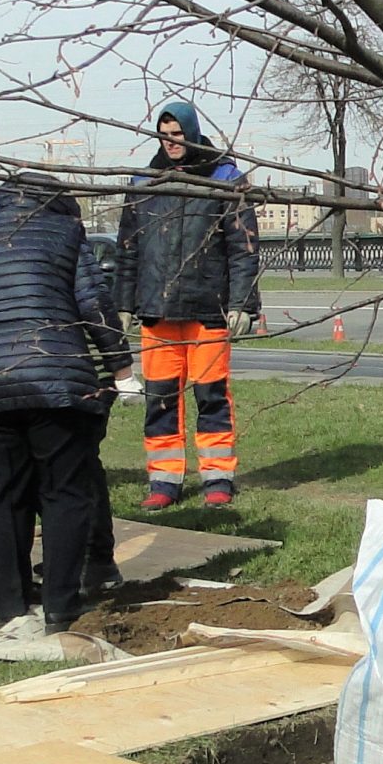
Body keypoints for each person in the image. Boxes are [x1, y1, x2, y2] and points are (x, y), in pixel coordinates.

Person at [0, 173, 124, 632]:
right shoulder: (65, 234)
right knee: (64, 492)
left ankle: (11, 607)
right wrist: (120, 364)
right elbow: (92, 300)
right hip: (55, 381)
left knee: (3, 499)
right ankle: (60, 606)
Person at [112, 99, 259, 508]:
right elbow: (128, 250)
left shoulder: (226, 179)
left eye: (177, 134)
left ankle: (217, 477)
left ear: (192, 133)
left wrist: (243, 303)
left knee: (212, 396)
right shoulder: (144, 183)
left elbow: (244, 249)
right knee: (160, 398)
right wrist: (123, 302)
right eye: (164, 135)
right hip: (156, 311)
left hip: (207, 308)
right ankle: (164, 481)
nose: (171, 142)